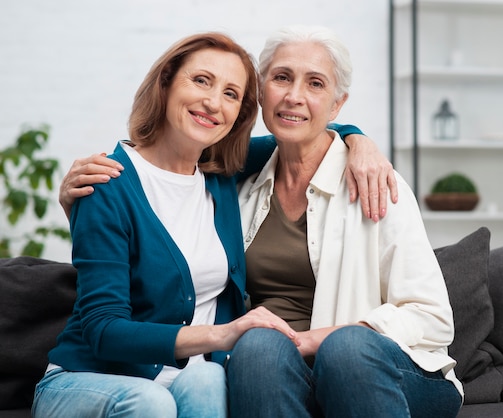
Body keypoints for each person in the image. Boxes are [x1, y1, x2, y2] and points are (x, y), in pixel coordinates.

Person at [46, 31, 396, 418]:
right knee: (151, 402)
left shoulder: (224, 173)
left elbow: (306, 131)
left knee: (210, 379)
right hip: (90, 378)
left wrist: (361, 142)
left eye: (231, 94)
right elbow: (102, 331)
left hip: (183, 378)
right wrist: (221, 334)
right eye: (201, 81)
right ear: (165, 83)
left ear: (239, 114)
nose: (213, 103)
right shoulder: (106, 184)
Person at [229, 25, 463, 418]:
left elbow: (433, 317)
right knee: (254, 346)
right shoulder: (239, 185)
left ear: (337, 105)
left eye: (315, 83)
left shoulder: (374, 181)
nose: (293, 96)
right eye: (282, 77)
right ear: (261, 90)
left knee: (346, 349)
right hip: (281, 372)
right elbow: (167, 157)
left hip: (383, 370)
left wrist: (320, 340)